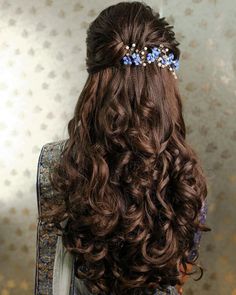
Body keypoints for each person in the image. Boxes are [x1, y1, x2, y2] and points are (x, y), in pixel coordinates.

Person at [34, 2, 211, 295]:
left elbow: (50, 281)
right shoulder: (184, 173)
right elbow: (176, 280)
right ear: (166, 84)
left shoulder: (55, 165)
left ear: (94, 82)